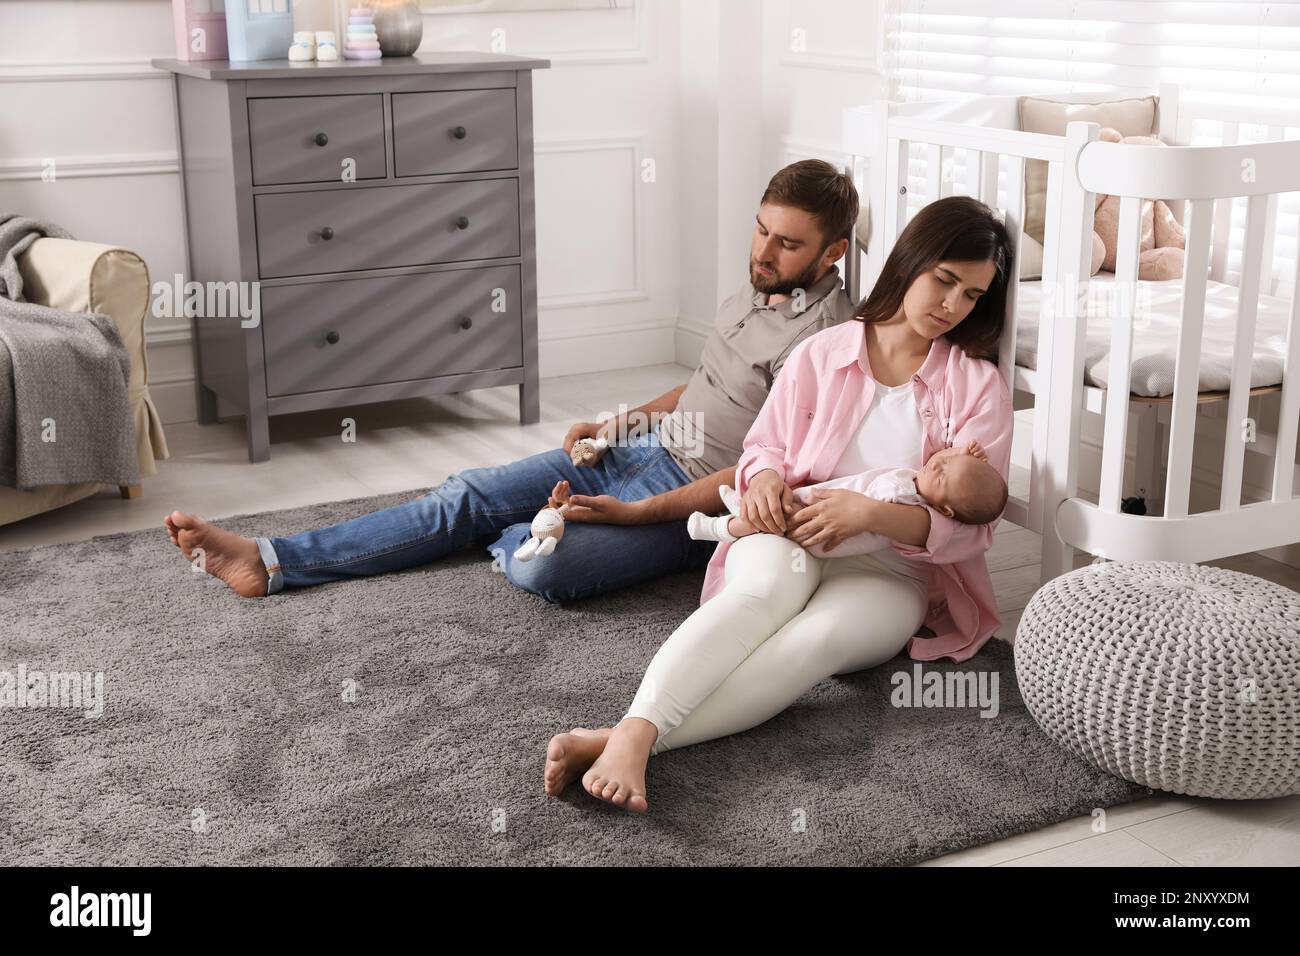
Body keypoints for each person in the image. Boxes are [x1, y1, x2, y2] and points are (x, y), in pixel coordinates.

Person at [162, 160, 859, 602]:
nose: (761, 253)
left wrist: (638, 512)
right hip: (641, 452)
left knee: (544, 568)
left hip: (689, 503)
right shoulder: (756, 289)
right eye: (760, 231)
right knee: (466, 492)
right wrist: (623, 423)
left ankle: (525, 531)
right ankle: (270, 560)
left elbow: (763, 470)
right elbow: (708, 386)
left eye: (786, 243)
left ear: (831, 253)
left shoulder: (826, 344)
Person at [542, 195, 1016, 813]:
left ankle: (627, 738)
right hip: (787, 529)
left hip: (892, 568)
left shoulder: (977, 387)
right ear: (910, 262)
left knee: (816, 643)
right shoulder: (823, 352)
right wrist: (763, 480)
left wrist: (872, 513)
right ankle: (636, 731)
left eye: (973, 296)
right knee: (761, 598)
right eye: (944, 281)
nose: (952, 306)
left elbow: (976, 528)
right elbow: (764, 446)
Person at [687, 439, 1007, 557]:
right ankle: (737, 512)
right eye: (945, 460)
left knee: (778, 520)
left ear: (944, 509)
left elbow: (865, 505)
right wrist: (964, 454)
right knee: (775, 514)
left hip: (823, 527)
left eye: (942, 475)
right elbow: (943, 460)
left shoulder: (905, 495)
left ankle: (720, 529)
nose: (937, 463)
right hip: (828, 516)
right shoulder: (924, 486)